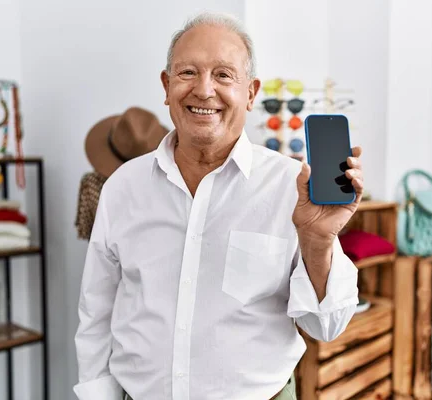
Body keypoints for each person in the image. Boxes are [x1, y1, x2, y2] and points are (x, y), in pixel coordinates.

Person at [74, 12, 363, 400]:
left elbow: (326, 325)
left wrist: (318, 241)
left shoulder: (291, 186)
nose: (204, 90)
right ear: (166, 85)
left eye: (224, 75)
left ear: (251, 92)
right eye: (187, 72)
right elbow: (96, 311)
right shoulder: (122, 187)